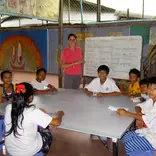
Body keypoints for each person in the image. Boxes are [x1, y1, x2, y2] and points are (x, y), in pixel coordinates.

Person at [5, 82, 64, 156]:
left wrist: (39, 112)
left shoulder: (9, 107)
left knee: (33, 125)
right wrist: (60, 114)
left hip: (11, 149)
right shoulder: (32, 112)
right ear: (31, 97)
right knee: (48, 133)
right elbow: (57, 122)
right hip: (27, 151)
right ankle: (43, 152)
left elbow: (24, 113)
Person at [116, 77, 156, 155]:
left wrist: (126, 113)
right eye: (149, 88)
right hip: (148, 131)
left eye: (154, 89)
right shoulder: (151, 100)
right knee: (125, 136)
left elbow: (146, 119)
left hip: (154, 137)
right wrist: (138, 114)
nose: (151, 91)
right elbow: (139, 106)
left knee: (129, 145)